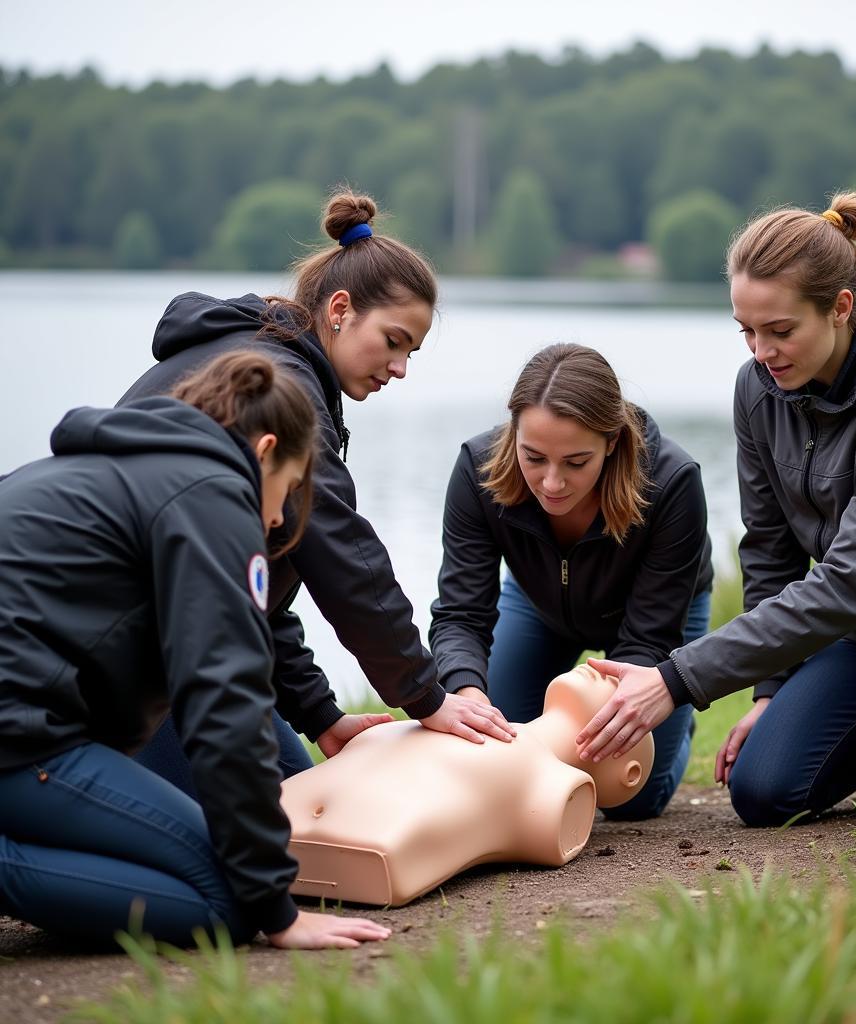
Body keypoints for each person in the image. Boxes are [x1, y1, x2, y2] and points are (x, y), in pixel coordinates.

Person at [577, 191, 856, 826]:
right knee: (764, 792)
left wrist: (675, 679)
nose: (761, 351)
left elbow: (847, 585)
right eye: (747, 330)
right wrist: (773, 687)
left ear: (841, 308)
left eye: (781, 330)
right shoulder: (760, 389)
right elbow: (770, 549)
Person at [119, 188, 513, 797]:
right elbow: (346, 561)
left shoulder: (264, 355)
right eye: (394, 340)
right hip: (133, 650)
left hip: (188, 631)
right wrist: (425, 694)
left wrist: (321, 717)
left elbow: (252, 578)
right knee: (233, 848)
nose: (401, 367)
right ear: (339, 309)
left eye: (412, 351)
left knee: (302, 802)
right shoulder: (283, 388)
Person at [0, 352, 392, 949]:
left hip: (31, 730)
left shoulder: (119, 469)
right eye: (286, 488)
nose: (277, 516)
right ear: (263, 453)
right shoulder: (213, 495)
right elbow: (226, 706)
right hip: (20, 742)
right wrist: (278, 910)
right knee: (232, 905)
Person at [429, 343, 713, 819]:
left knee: (630, 798)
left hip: (657, 623)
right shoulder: (476, 469)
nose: (552, 483)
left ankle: (677, 724)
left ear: (612, 442)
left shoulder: (673, 481)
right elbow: (460, 614)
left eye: (576, 462)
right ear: (513, 429)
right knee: (497, 756)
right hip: (539, 604)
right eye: (534, 457)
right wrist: (465, 692)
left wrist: (645, 700)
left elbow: (649, 636)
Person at [280, 664, 655, 907]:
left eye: (614, 688)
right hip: (284, 815)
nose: (602, 672)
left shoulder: (554, 781)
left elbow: (548, 833)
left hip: (356, 839)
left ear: (628, 773)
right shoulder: (456, 718)